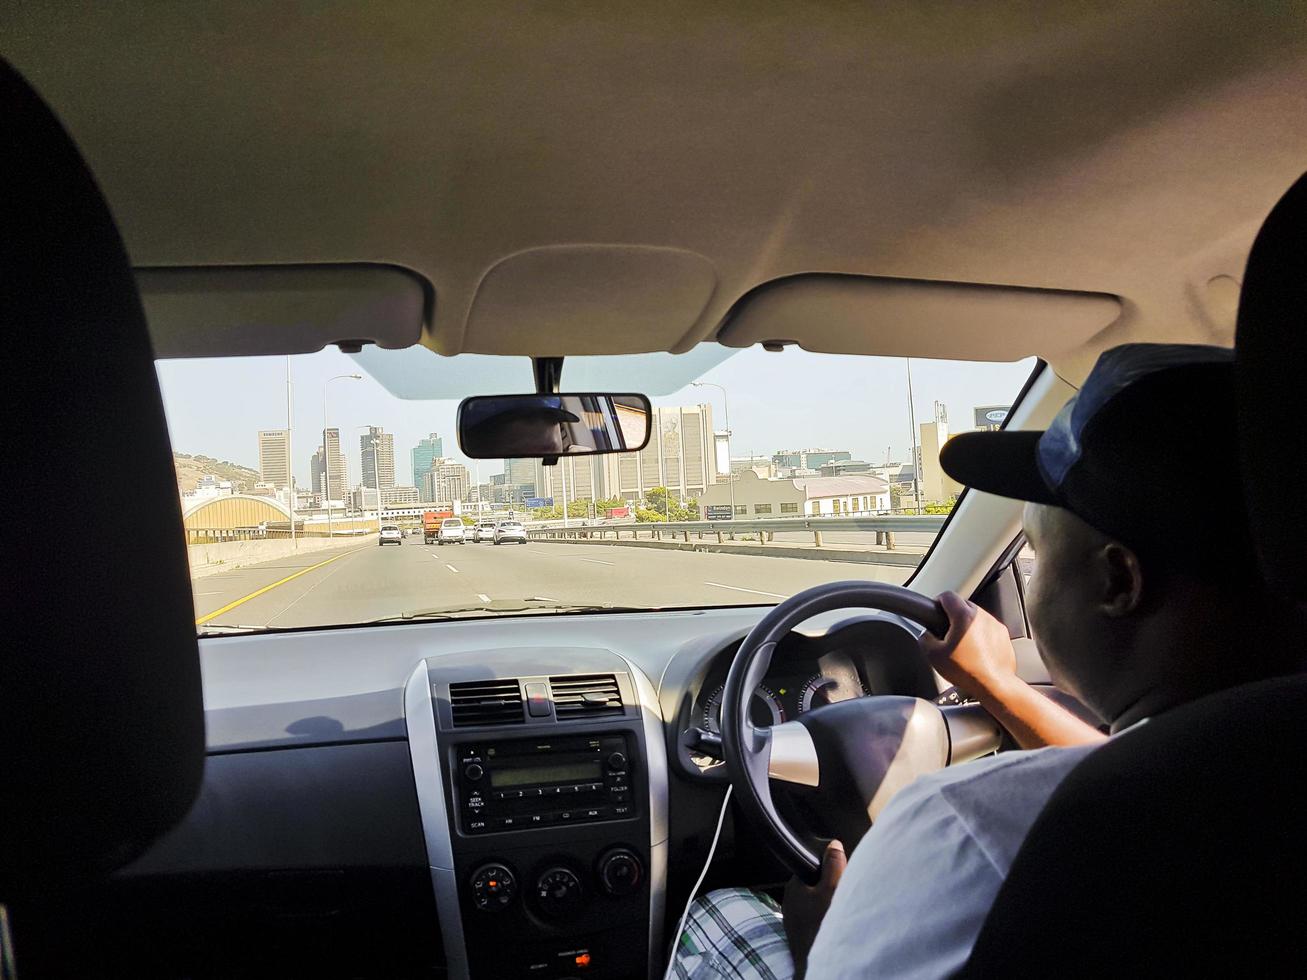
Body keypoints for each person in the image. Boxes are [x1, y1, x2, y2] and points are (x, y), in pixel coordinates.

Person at [670, 343, 1304, 979]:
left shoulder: (962, 826)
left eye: (1035, 553)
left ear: (1118, 581)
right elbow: (1127, 765)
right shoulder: (1234, 782)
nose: (1030, 578)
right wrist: (999, 688)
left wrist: (821, 950)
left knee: (720, 911)